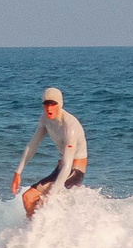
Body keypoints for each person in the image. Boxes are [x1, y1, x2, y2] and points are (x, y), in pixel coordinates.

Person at [10, 86, 87, 219]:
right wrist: (18, 172)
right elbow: (33, 145)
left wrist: (53, 194)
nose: (49, 109)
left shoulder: (70, 126)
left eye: (53, 104)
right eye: (46, 104)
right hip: (60, 167)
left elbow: (68, 165)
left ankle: (47, 231)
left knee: (45, 202)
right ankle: (30, 230)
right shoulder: (45, 120)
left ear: (60, 104)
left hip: (74, 170)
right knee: (27, 197)